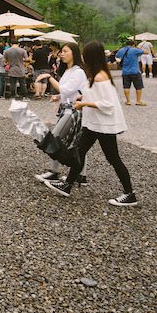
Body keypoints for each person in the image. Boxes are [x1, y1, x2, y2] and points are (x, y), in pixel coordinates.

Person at [42, 41, 139, 207]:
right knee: (79, 152)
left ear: (90, 56)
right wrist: (82, 99)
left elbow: (108, 103)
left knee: (113, 158)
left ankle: (129, 194)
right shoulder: (94, 74)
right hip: (93, 123)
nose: (82, 57)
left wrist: (84, 104)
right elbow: (93, 96)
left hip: (103, 125)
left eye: (84, 54)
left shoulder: (100, 76)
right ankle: (67, 185)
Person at [33, 42, 89, 185]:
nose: (61, 54)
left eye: (65, 51)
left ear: (74, 53)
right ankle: (79, 175)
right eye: (61, 51)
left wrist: (48, 76)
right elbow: (69, 91)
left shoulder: (78, 71)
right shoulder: (69, 71)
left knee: (56, 139)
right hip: (67, 109)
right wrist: (58, 97)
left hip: (73, 111)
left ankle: (55, 172)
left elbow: (66, 89)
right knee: (76, 143)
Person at [114, 39, 146, 106]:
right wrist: (137, 47)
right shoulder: (135, 50)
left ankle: (128, 101)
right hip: (135, 71)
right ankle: (138, 101)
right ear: (133, 44)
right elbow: (146, 52)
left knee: (126, 87)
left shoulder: (121, 50)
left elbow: (117, 57)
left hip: (125, 72)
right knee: (138, 87)